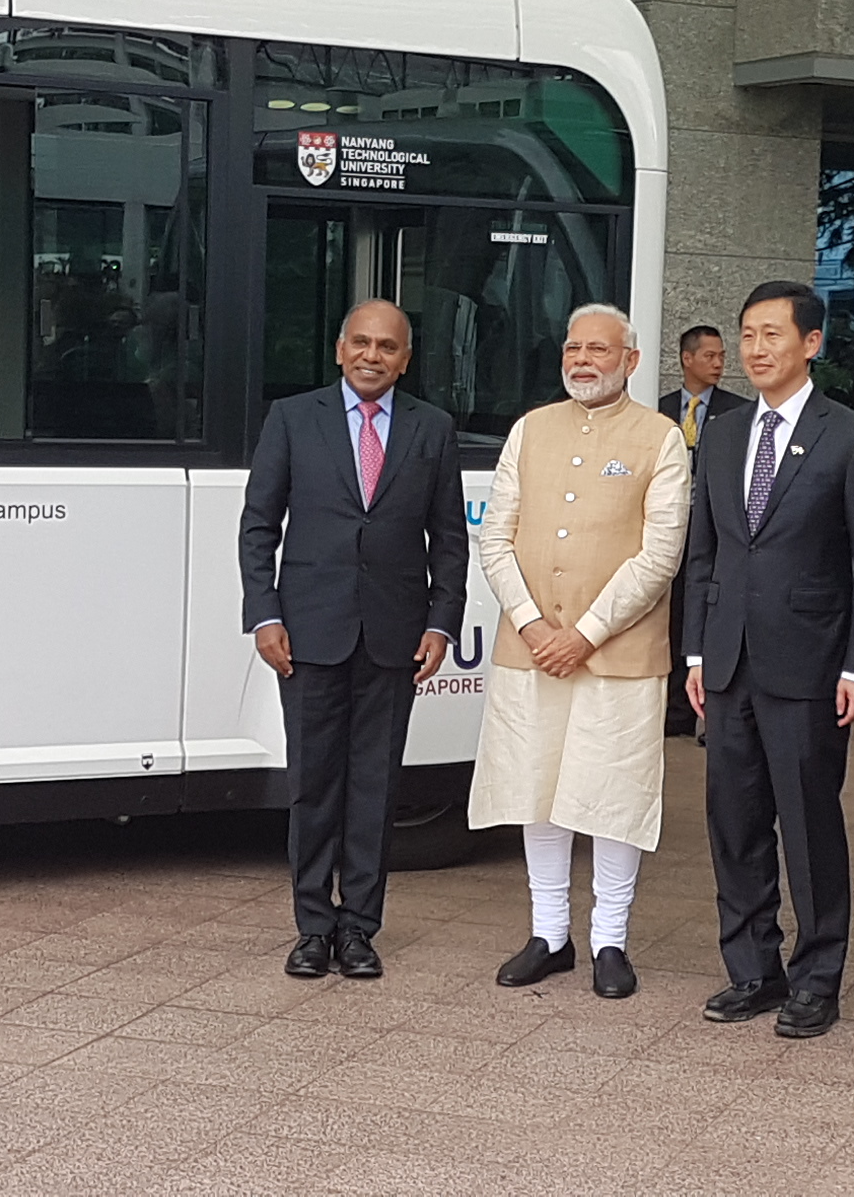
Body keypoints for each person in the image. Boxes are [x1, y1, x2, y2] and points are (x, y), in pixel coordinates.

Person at [684, 280, 854, 1039]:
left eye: (774, 334)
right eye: (747, 335)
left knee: (807, 826)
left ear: (811, 342)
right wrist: (697, 651)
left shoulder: (849, 437)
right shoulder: (726, 432)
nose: (757, 349)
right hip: (730, 661)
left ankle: (818, 977)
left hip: (809, 668)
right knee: (733, 823)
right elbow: (704, 551)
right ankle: (752, 970)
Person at [239, 299, 469, 981]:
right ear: (341, 350)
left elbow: (449, 540)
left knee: (376, 788)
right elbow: (258, 527)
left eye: (388, 347)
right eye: (362, 344)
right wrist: (264, 614)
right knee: (313, 785)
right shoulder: (292, 418)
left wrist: (440, 623)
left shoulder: (433, 428)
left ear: (405, 358)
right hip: (306, 635)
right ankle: (313, 927)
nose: (374, 356)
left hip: (394, 638)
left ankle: (360, 927)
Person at [471, 304, 689, 999]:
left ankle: (610, 941)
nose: (583, 360)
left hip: (618, 653)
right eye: (573, 348)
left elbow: (660, 557)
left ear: (630, 360)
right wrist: (535, 626)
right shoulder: (530, 429)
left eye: (600, 349)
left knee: (611, 793)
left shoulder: (661, 439)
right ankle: (550, 933)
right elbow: (494, 538)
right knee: (538, 788)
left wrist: (586, 633)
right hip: (530, 647)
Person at [658, 325, 745, 739]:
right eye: (709, 356)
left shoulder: (738, 411)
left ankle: (713, 715)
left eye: (722, 356)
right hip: (670, 525)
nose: (718, 364)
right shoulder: (657, 410)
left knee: (713, 613)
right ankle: (675, 711)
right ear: (686, 358)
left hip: (716, 526)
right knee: (674, 615)